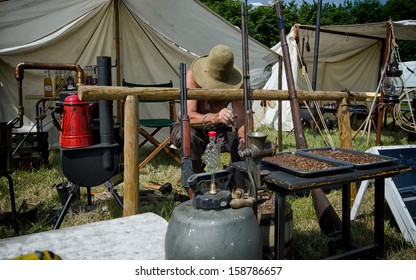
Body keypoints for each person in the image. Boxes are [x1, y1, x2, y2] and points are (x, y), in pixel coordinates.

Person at [171, 44, 246, 173]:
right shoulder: (191, 76)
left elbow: (242, 120)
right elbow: (188, 117)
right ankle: (194, 183)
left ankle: (238, 180)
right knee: (189, 137)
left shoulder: (238, 85)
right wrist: (216, 117)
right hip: (190, 128)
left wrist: (242, 138)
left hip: (218, 130)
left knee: (242, 141)